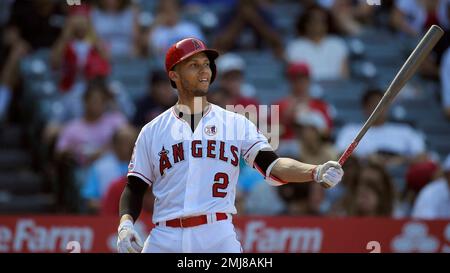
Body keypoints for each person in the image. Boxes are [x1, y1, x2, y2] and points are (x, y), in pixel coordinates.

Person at [116, 38, 344, 253]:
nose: (204, 70)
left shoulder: (235, 122)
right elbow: (135, 187)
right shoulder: (152, 131)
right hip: (165, 235)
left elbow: (272, 165)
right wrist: (125, 224)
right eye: (194, 65)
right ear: (174, 75)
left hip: (216, 234)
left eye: (206, 64)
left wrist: (315, 171)